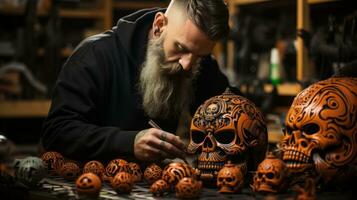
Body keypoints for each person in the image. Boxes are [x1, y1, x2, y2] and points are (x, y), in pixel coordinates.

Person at [41, 0, 230, 163]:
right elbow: (57, 131)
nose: (187, 65)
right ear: (158, 26)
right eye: (180, 47)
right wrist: (128, 143)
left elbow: (232, 108)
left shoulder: (197, 62)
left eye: (200, 56)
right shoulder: (95, 55)